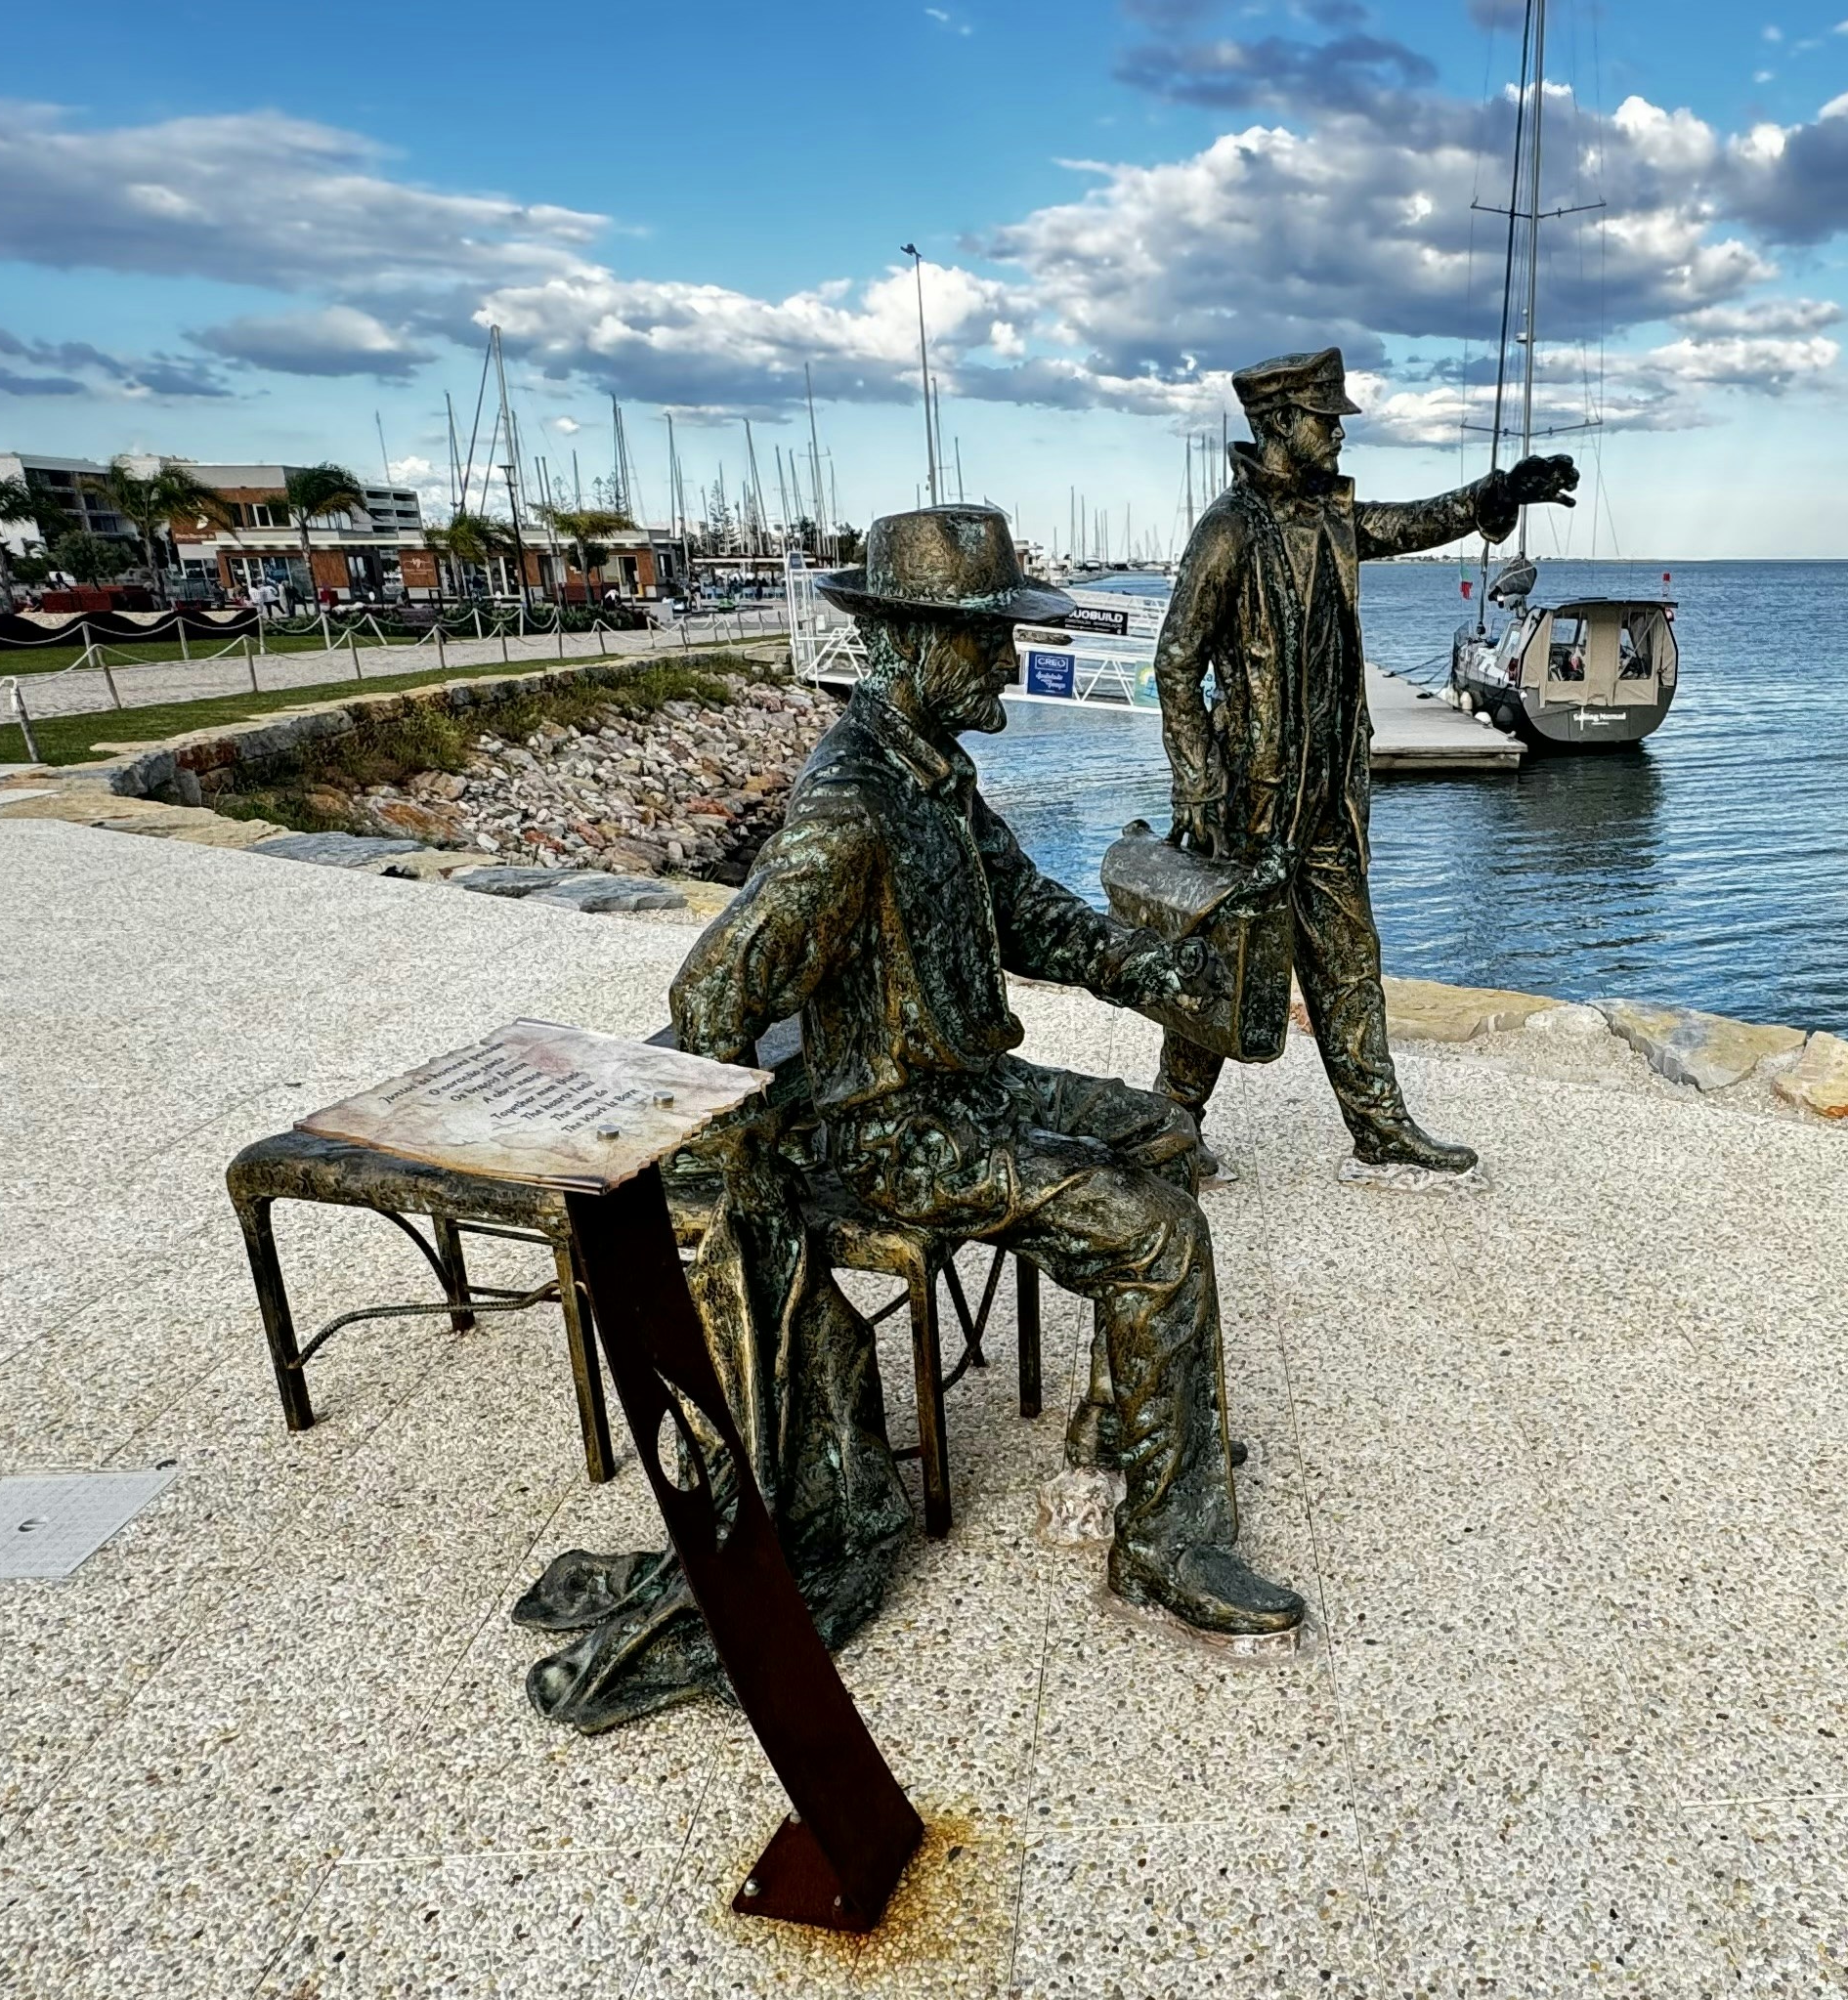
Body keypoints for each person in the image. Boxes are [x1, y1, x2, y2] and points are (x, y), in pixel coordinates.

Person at [564, 507, 1310, 1683]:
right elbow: (710, 995)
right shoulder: (848, 813)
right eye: (986, 640)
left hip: (967, 1089)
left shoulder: (933, 776)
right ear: (908, 644)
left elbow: (1035, 916)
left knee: (1164, 1135)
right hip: (888, 1135)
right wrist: (749, 1176)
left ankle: (1135, 1430)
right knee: (1154, 1231)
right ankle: (1166, 1543)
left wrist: (1165, 976)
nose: (1008, 661)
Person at [1150, 347, 1579, 1177]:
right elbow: (1176, 662)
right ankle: (1172, 1119)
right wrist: (1202, 782)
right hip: (1250, 802)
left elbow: (1413, 522)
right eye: (1326, 418)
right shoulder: (1229, 529)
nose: (1339, 433)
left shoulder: (1332, 521)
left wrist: (1499, 493)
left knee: (1351, 961)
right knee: (1220, 965)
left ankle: (1379, 1126)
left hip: (1329, 800)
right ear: (1280, 423)